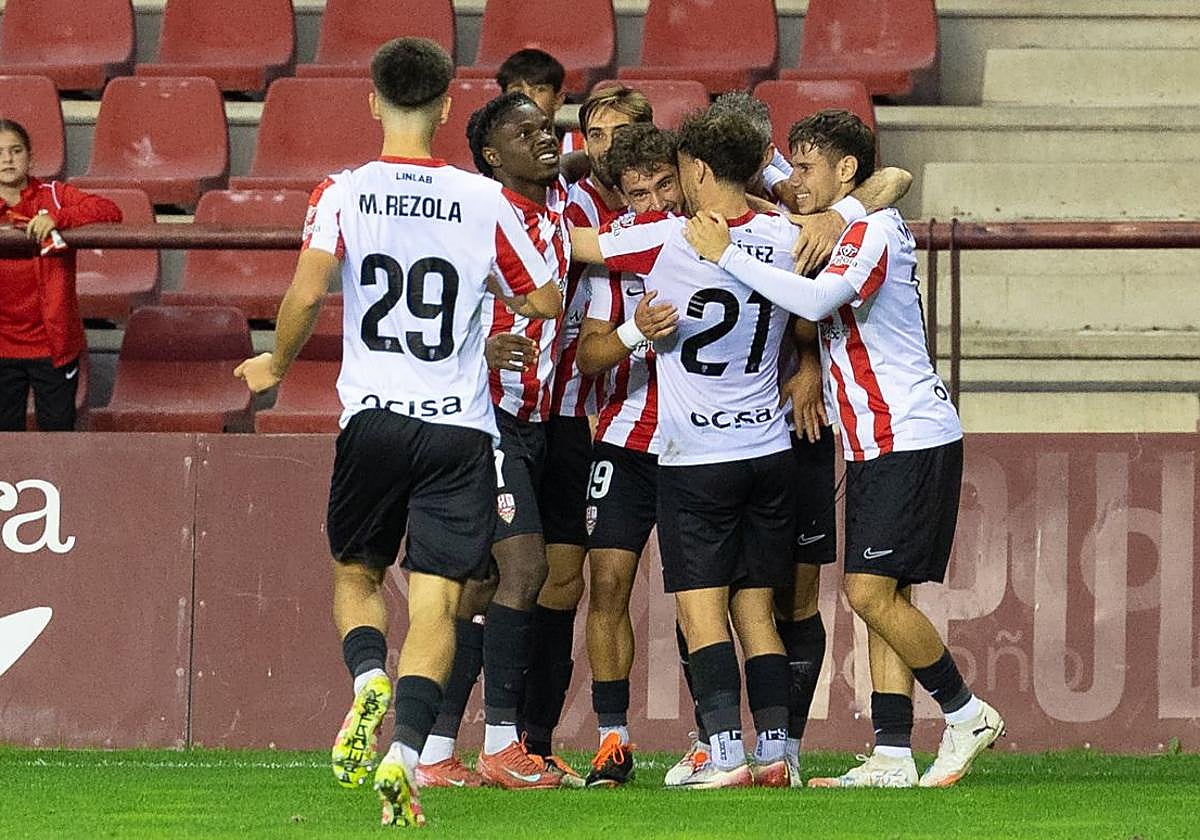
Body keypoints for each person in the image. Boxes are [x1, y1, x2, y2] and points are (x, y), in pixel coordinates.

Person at [235, 38, 561, 827]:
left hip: (375, 420)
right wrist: (487, 300)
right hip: (460, 431)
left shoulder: (343, 191)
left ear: (375, 101)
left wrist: (276, 363)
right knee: (438, 605)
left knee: (356, 576)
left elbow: (307, 294)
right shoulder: (484, 200)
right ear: (448, 107)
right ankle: (407, 756)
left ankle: (366, 679)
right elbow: (547, 299)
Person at [683, 108, 1005, 789]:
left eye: (806, 169)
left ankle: (965, 711)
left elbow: (817, 297)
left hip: (906, 434)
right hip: (872, 441)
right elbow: (831, 180)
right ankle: (892, 753)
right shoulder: (843, 214)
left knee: (867, 593)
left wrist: (727, 256)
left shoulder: (874, 231)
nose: (794, 181)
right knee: (888, 594)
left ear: (846, 169)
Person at [413, 92, 581, 791]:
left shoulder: (560, 208)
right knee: (525, 569)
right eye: (525, 133)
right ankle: (503, 744)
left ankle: (434, 751)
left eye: (547, 128)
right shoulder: (477, 218)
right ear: (490, 155)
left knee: (481, 584)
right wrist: (478, 346)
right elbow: (425, 307)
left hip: (536, 421)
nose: (545, 138)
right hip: (482, 417)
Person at [573, 122, 680, 787]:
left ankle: (715, 741)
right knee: (607, 583)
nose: (656, 203)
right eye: (640, 193)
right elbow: (588, 356)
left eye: (666, 185)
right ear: (623, 196)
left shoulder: (714, 244)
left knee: (706, 597)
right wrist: (635, 332)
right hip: (625, 441)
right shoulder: (613, 261)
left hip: (702, 447)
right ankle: (612, 739)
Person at [0, 118, 121, 431]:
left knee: (56, 436)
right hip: (1, 346)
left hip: (52, 347)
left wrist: (59, 218)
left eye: (16, 150)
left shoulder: (54, 194)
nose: (7, 159)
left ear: (30, 158)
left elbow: (109, 210)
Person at [495, 47, 584, 153]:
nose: (528, 97)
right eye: (518, 90)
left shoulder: (582, 144)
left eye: (539, 90)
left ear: (558, 99)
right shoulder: (495, 148)